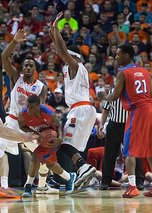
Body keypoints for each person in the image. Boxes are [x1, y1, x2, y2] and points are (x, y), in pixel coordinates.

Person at [0, 29, 47, 197]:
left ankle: (43, 185)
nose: (28, 67)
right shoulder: (15, 77)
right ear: (22, 68)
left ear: (35, 68)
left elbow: (41, 110)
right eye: (25, 65)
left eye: (31, 65)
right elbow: (3, 57)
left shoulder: (42, 87)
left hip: (30, 126)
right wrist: (14, 41)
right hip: (12, 122)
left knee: (43, 153)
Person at [98, 44, 152, 198]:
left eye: (118, 54)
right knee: (149, 150)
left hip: (137, 111)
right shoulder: (145, 71)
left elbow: (114, 96)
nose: (116, 57)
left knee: (129, 151)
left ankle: (133, 186)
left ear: (127, 55)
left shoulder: (123, 72)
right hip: (150, 109)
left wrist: (103, 97)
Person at [50, 12, 97, 190]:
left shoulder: (75, 66)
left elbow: (62, 51)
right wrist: (53, 35)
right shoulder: (77, 68)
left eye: (66, 56)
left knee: (65, 144)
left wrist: (57, 31)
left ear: (72, 57)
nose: (62, 58)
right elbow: (60, 49)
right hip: (85, 109)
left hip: (80, 110)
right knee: (74, 147)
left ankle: (84, 167)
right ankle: (84, 172)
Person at [18, 95, 76, 196]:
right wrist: (35, 133)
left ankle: (28, 185)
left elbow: (58, 126)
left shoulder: (49, 113)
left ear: (38, 106)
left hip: (53, 138)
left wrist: (59, 139)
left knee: (35, 157)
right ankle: (69, 177)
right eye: (27, 106)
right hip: (42, 137)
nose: (28, 109)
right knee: (49, 163)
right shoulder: (23, 114)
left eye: (31, 107)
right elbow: (22, 126)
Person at [98, 88, 144, 190]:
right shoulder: (112, 92)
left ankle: (139, 181)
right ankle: (106, 181)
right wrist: (101, 125)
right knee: (109, 154)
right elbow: (106, 110)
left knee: (135, 154)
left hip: (130, 125)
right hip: (114, 125)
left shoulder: (134, 92)